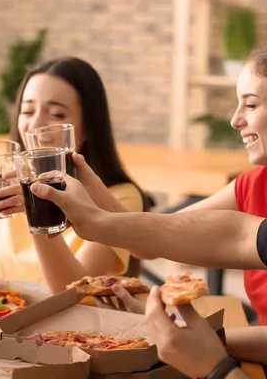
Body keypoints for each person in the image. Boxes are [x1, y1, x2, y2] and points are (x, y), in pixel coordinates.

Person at [0, 57, 149, 292]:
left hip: (65, 330)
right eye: (28, 110)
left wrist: (36, 208)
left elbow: (72, 292)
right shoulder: (2, 183)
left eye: (56, 114)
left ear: (88, 128)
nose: (34, 125)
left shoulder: (116, 198)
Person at [28, 150, 267, 378]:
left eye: (251, 105)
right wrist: (179, 333)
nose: (235, 120)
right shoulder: (252, 183)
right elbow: (155, 239)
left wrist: (215, 366)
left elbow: (236, 236)